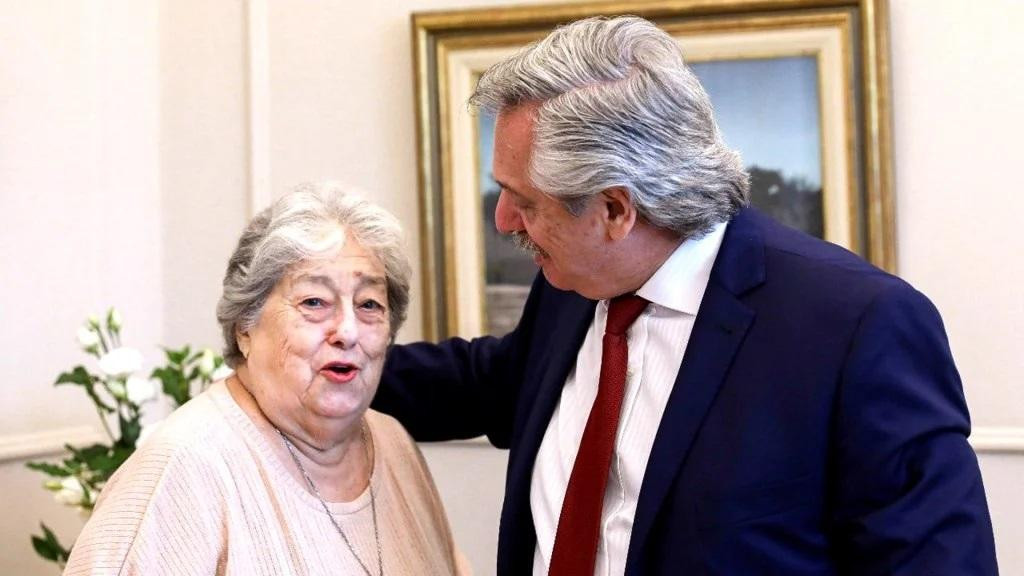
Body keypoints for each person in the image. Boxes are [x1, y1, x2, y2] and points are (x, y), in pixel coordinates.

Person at [373, 15, 998, 576]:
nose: (504, 219)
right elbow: (488, 382)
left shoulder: (857, 327)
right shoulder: (575, 284)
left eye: (526, 201)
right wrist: (314, 363)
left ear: (616, 209)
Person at [64, 184, 469, 575]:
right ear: (245, 326)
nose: (348, 330)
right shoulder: (183, 466)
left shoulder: (392, 441)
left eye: (369, 305)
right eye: (314, 302)